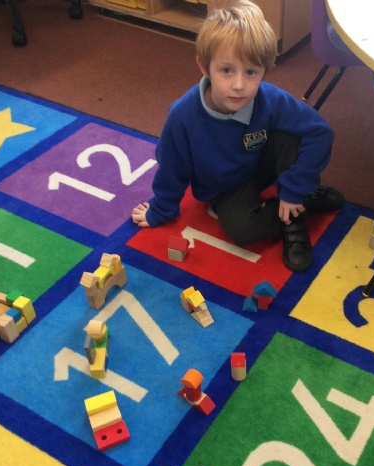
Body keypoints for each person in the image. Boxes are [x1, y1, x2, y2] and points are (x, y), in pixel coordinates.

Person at [131, 0, 344, 272]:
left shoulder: (269, 98)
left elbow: (320, 132)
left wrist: (295, 188)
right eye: (227, 70)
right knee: (242, 230)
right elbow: (172, 168)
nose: (239, 85)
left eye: (251, 72)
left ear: (265, 71)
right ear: (204, 67)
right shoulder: (182, 115)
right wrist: (161, 209)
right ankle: (306, 202)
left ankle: (294, 211)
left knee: (292, 135)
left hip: (260, 162)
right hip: (225, 187)